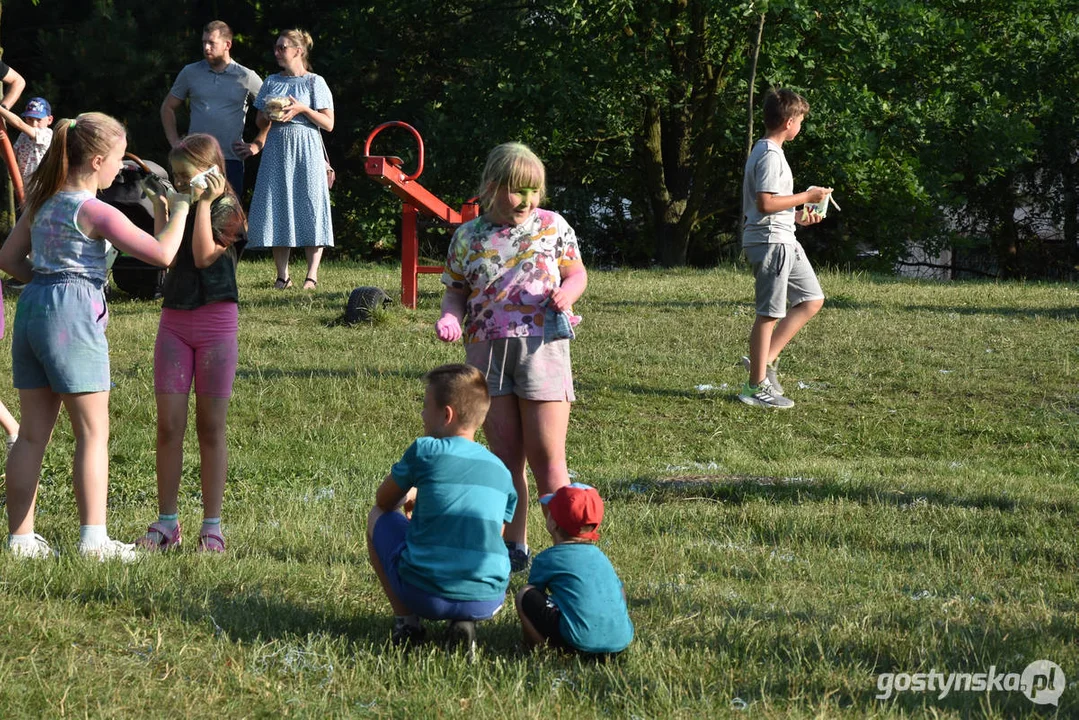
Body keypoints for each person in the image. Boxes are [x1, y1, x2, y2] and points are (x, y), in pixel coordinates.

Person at [0, 112, 191, 560]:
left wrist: (45, 281)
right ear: (98, 160)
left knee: (30, 435)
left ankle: (21, 539)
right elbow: (162, 254)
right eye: (120, 160)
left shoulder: (42, 202)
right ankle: (93, 540)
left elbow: (8, 258)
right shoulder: (95, 210)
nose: (120, 169)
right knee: (92, 433)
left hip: (32, 309)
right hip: (71, 315)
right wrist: (180, 209)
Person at [435, 142, 587, 573]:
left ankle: (567, 550)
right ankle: (513, 548)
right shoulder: (468, 236)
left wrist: (567, 292)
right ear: (491, 187)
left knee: (548, 457)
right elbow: (455, 290)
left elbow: (576, 272)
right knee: (505, 459)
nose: (527, 200)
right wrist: (449, 317)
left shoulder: (553, 225)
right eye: (517, 190)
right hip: (486, 352)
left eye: (533, 191)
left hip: (542, 348)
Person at [133, 135, 245, 555]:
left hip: (216, 324)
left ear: (211, 169)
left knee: (210, 428)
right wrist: (164, 205)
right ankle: (167, 522)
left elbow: (201, 254)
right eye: (174, 174)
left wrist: (198, 203)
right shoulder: (184, 200)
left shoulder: (227, 209)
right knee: (168, 426)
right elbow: (164, 248)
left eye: (184, 174)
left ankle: (211, 526)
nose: (179, 180)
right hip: (175, 323)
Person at [366, 364, 517, 650]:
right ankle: (464, 620)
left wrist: (410, 494)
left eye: (426, 406)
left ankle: (407, 624)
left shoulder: (426, 450)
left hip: (425, 595)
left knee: (377, 517)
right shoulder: (502, 472)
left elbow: (384, 501)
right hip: (488, 597)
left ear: (446, 415)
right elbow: (491, 535)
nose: (422, 414)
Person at [738, 88, 831, 410]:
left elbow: (772, 204)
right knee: (769, 314)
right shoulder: (768, 155)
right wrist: (808, 197)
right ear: (790, 122)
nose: (800, 126)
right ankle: (754, 386)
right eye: (801, 120)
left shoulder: (770, 152)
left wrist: (797, 216)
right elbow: (764, 203)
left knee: (811, 299)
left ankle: (762, 362)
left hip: (784, 237)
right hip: (770, 242)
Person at [244, 29, 334, 290]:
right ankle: (282, 276)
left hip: (307, 148)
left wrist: (303, 109)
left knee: (311, 204)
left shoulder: (314, 82)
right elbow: (259, 120)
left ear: (299, 51)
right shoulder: (271, 82)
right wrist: (270, 113)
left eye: (282, 47)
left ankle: (311, 276)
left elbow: (328, 124)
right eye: (276, 47)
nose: (277, 52)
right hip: (277, 149)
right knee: (277, 205)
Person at [515, 483, 633, 657]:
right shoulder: (601, 556)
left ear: (553, 523)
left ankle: (537, 648)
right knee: (618, 588)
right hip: (619, 644)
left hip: (576, 642)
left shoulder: (548, 558)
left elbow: (536, 595)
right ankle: (609, 630)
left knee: (525, 594)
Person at [161, 20, 263, 195]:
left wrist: (256, 145)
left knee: (228, 218)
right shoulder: (190, 72)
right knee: (192, 214)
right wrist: (175, 143)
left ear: (227, 45)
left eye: (211, 43)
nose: (206, 47)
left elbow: (270, 112)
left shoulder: (246, 76)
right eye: (204, 42)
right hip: (194, 158)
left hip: (230, 160)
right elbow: (167, 108)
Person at [0, 97, 54, 183]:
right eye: (30, 119)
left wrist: (1, 110)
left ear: (49, 120)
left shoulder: (47, 134)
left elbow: (19, 124)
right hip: (25, 188)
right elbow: (11, 158)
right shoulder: (23, 136)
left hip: (43, 188)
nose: (34, 124)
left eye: (39, 120)